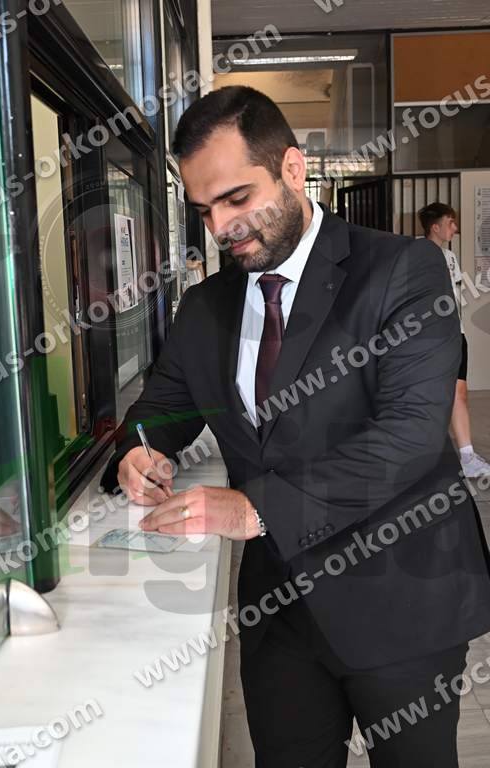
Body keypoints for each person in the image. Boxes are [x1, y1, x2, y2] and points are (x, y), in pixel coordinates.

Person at [101, 87, 490, 767]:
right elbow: (161, 410)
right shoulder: (205, 307)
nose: (222, 227)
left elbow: (408, 436)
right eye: (205, 209)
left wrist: (253, 508)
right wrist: (140, 452)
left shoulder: (401, 270)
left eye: (237, 198)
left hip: (401, 599)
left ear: (291, 167)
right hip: (278, 613)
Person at [419, 202, 490, 478]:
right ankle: (425, 456)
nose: (455, 228)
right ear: (435, 226)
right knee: (430, 394)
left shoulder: (450, 257)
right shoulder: (415, 253)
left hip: (454, 332)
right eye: (451, 222)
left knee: (459, 392)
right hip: (429, 335)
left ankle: (468, 457)